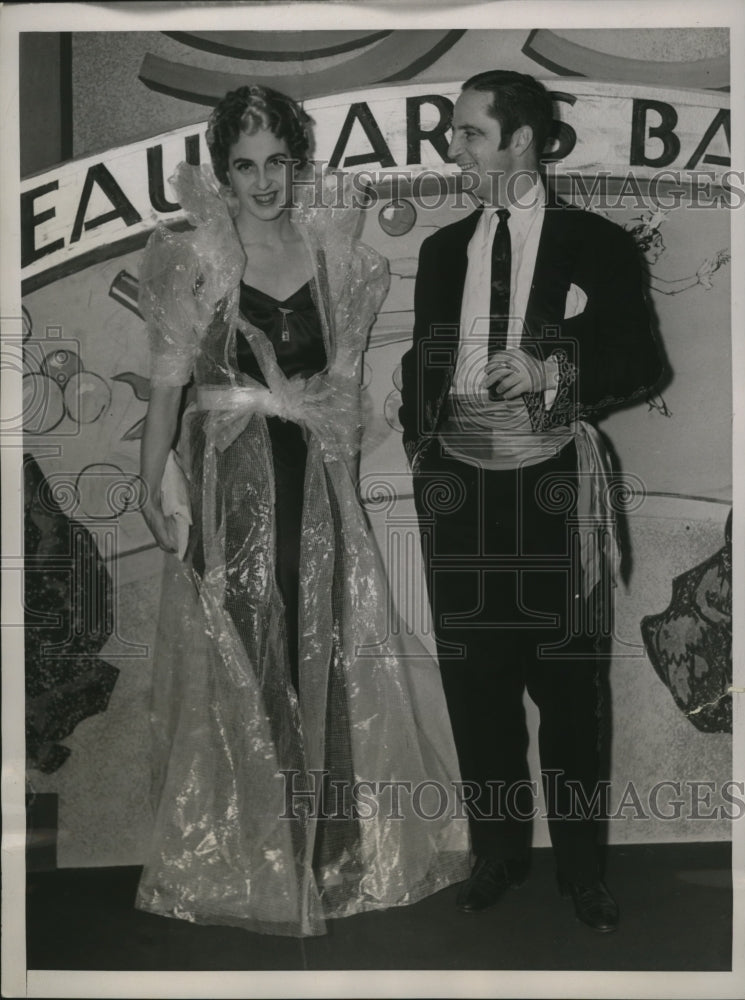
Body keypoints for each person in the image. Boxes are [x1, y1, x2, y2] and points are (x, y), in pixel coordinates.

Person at [136, 84, 468, 938]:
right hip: (230, 483)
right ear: (223, 173)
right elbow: (169, 387)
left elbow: (343, 388)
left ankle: (330, 856)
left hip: (314, 482)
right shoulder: (195, 259)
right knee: (247, 655)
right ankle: (263, 853)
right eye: (245, 165)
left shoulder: (334, 260)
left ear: (297, 164)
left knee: (324, 651)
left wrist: (344, 497)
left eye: (277, 162)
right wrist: (151, 482)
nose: (263, 182)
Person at [399, 70, 664, 932]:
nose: (453, 149)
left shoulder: (596, 243)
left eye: (469, 134)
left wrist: (553, 370)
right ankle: (498, 855)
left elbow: (641, 361)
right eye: (455, 134)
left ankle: (582, 872)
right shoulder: (442, 251)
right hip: (459, 493)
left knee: (570, 688)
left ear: (520, 141)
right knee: (475, 687)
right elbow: (420, 362)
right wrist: (422, 453)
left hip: (554, 489)